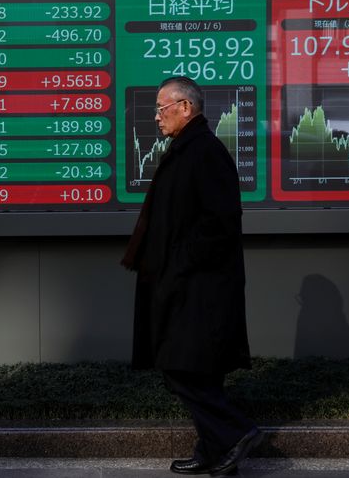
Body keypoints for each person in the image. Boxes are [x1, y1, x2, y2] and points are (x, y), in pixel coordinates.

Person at [121, 76, 262, 476]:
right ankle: (215, 452)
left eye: (162, 108)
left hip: (199, 289)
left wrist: (178, 263)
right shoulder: (188, 149)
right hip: (190, 284)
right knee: (200, 372)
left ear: (186, 107)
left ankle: (235, 433)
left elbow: (220, 224)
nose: (157, 117)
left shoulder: (204, 152)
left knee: (179, 367)